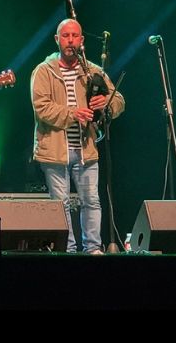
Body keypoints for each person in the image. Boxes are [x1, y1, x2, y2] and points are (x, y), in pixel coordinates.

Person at [30, 18, 124, 254]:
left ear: (81, 40)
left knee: (91, 201)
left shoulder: (93, 71)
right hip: (54, 149)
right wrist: (73, 114)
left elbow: (119, 100)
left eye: (74, 36)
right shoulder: (44, 71)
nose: (70, 40)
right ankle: (68, 251)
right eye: (65, 36)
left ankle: (93, 248)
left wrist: (106, 103)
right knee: (60, 204)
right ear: (57, 39)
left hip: (86, 148)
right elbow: (41, 107)